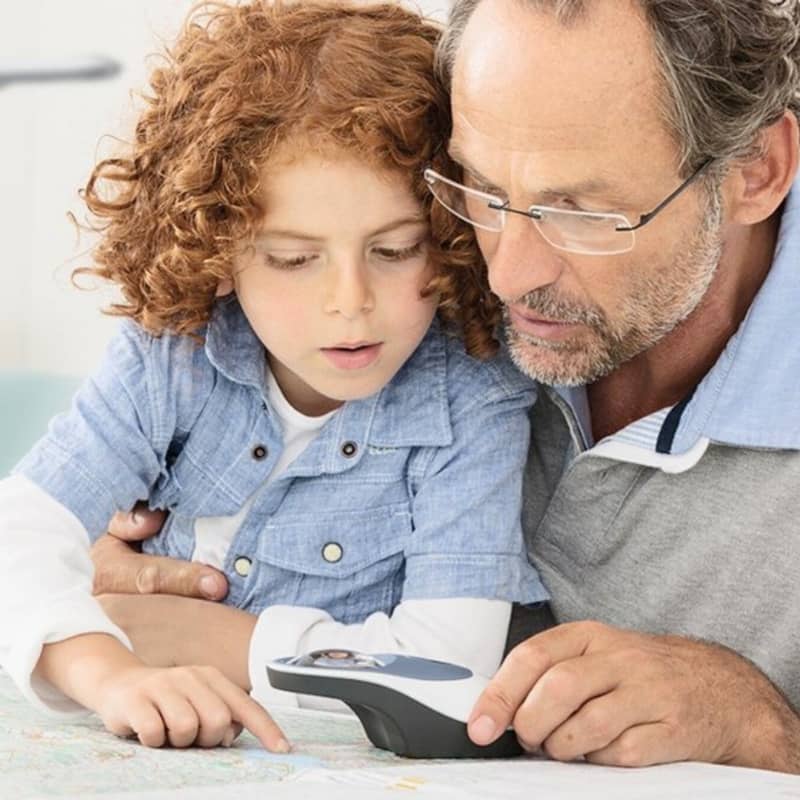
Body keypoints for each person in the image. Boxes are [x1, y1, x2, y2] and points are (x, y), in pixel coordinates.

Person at [95, 0, 800, 775]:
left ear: (754, 171)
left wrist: (761, 726)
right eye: (483, 188)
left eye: (582, 209)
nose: (506, 276)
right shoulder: (410, 299)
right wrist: (114, 548)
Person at [0, 0, 550, 751]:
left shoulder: (473, 398)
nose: (349, 303)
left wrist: (206, 637)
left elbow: (449, 667)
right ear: (217, 252)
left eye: (394, 251)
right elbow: (18, 534)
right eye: (294, 259)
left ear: (451, 234)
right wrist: (108, 669)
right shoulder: (172, 356)